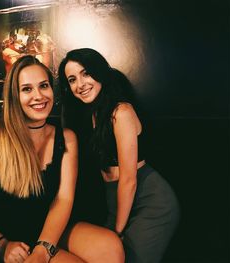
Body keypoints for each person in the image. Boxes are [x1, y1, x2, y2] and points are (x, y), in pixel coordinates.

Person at [0, 55, 124, 263]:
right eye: (27, 89)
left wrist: (44, 248)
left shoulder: (67, 137)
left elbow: (63, 199)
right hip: (12, 234)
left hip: (51, 226)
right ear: (14, 95)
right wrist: (1, 245)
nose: (39, 96)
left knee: (111, 247)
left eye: (44, 86)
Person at [58, 48, 180, 263]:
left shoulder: (121, 112)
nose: (80, 84)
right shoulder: (91, 114)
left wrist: (117, 229)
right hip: (116, 198)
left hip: (149, 199)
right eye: (72, 79)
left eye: (86, 73)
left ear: (99, 73)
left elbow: (129, 179)